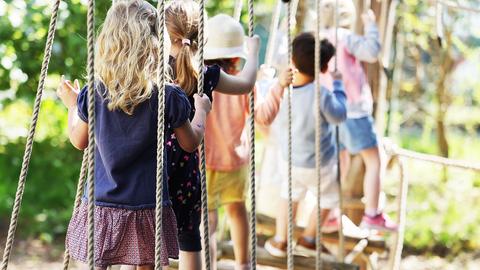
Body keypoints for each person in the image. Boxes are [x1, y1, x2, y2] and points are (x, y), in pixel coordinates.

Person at [56, 1, 211, 269]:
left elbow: (77, 140)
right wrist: (201, 112)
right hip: (147, 205)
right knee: (145, 264)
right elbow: (190, 143)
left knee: (96, 261)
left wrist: (72, 105)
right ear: (156, 44)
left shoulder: (94, 93)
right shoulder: (168, 96)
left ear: (108, 42)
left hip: (101, 203)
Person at [165, 2, 260, 270]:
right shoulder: (206, 75)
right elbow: (246, 84)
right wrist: (252, 54)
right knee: (191, 238)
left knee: (144, 242)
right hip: (188, 176)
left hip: (153, 173)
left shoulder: (153, 73)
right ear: (201, 37)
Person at [202, 14, 293, 270]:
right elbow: (263, 116)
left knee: (207, 223)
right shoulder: (244, 82)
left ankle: (208, 264)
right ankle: (244, 264)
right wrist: (278, 87)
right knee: (237, 211)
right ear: (236, 56)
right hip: (235, 160)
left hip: (204, 162)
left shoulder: (198, 80)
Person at [264, 33, 347, 257]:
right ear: (323, 69)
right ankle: (309, 238)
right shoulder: (322, 93)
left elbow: (265, 104)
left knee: (289, 196)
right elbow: (339, 116)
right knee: (328, 199)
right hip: (320, 164)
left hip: (289, 161)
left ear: (292, 60)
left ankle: (281, 239)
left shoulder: (280, 89)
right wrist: (339, 87)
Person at [320, 0, 397, 231]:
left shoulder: (317, 40)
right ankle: (372, 214)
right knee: (376, 160)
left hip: (329, 111)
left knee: (339, 163)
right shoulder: (344, 37)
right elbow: (372, 52)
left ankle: (331, 214)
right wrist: (372, 26)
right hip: (353, 110)